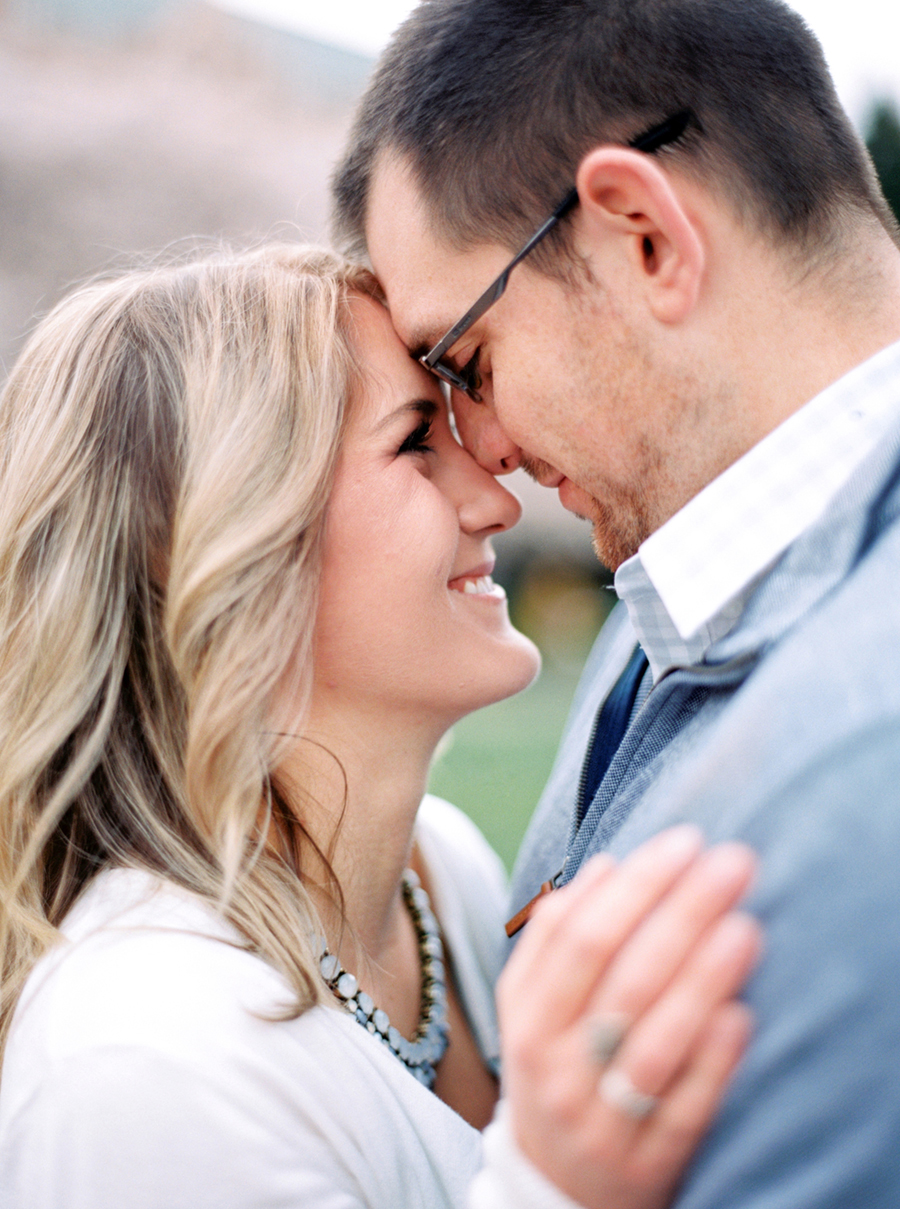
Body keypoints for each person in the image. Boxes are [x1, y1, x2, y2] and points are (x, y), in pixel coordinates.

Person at [0, 244, 761, 1208]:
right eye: (413, 443)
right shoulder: (139, 1056)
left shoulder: (441, 871)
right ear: (213, 543)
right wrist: (562, 1183)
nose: (495, 498)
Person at [331, 0, 900, 1204]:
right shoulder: (679, 582)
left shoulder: (867, 750)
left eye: (468, 364)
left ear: (644, 234)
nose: (477, 450)